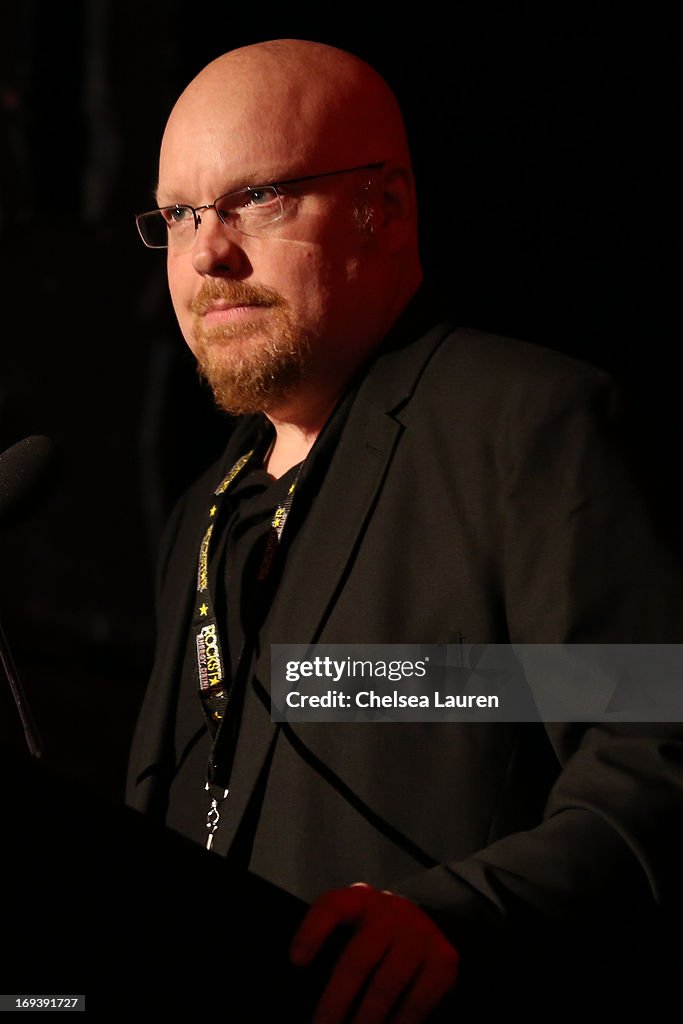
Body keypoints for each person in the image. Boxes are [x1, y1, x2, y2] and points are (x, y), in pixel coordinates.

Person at [126, 38, 683, 1019]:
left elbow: (654, 744)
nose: (207, 250)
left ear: (381, 209)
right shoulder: (199, 518)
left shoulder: (522, 424)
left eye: (257, 197)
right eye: (179, 214)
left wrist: (462, 915)